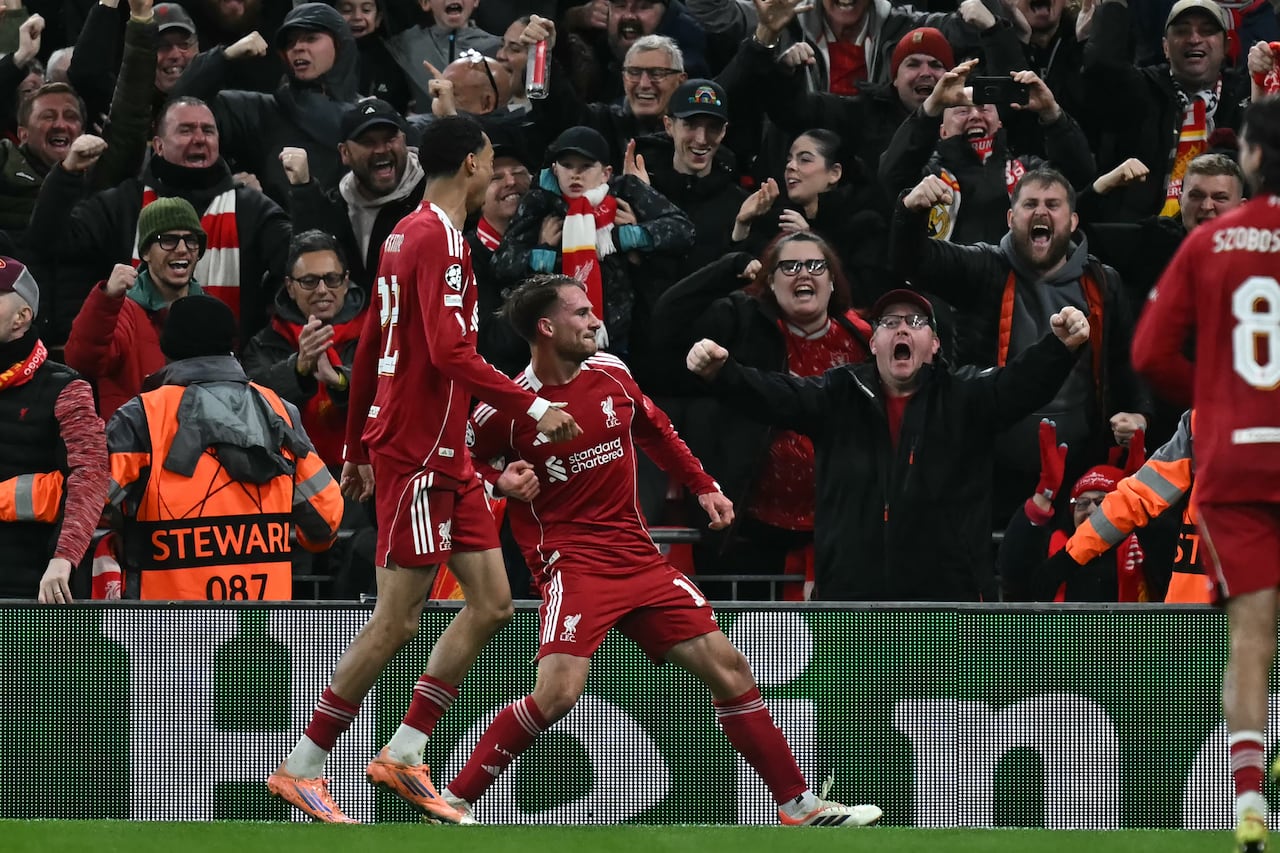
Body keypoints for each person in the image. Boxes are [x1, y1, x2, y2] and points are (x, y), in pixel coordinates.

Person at [445, 272, 882, 827]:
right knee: (556, 694)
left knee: (731, 671)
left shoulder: (612, 373)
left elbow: (654, 429)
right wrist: (497, 478)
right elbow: (455, 459)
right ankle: (454, 801)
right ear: (547, 327)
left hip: (638, 557)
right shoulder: (508, 405)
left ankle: (799, 806)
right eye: (580, 313)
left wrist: (704, 485)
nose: (595, 321)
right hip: (573, 562)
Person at [268, 115, 580, 824]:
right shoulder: (439, 239)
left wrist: (350, 446)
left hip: (444, 453)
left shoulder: (405, 233)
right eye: (493, 161)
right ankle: (303, 762)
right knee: (397, 619)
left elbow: (374, 338)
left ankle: (405, 750)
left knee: (495, 603)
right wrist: (531, 409)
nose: (498, 173)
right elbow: (446, 354)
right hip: (416, 453)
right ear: (472, 162)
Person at [686, 288, 1091, 601]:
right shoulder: (838, 392)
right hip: (852, 601)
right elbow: (774, 393)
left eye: (915, 321)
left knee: (945, 713)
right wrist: (724, 373)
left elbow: (1019, 384)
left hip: (949, 604)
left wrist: (1060, 347)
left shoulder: (966, 397)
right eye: (889, 322)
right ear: (874, 342)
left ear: (934, 344)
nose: (901, 328)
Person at [1129, 96, 1280, 853]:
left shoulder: (1211, 243)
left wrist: (1219, 394)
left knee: (1250, 639)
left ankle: (1249, 805)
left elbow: (1149, 354)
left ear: (1252, 158)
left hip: (1235, 456)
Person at [890, 168, 1151, 522]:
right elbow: (912, 261)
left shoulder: (1104, 281)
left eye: (1052, 204)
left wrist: (1141, 415)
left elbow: (1126, 362)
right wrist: (911, 211)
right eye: (1030, 204)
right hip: (991, 468)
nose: (1040, 212)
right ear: (1011, 218)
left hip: (1080, 468)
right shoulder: (983, 267)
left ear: (1073, 221)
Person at [650, 233, 872, 598]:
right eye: (789, 266)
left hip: (839, 527)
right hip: (748, 528)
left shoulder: (864, 339)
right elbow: (667, 318)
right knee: (748, 648)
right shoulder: (741, 319)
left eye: (817, 265)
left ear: (833, 281)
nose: (804, 273)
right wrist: (729, 267)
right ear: (769, 281)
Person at [104, 293, 344, 600]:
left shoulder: (141, 416)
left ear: (168, 347)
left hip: (165, 633)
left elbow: (91, 502)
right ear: (230, 343)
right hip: (259, 632)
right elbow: (326, 519)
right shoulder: (278, 410)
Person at [26, 97, 290, 346]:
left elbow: (296, 260)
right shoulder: (123, 203)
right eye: (186, 130)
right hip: (135, 372)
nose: (199, 139)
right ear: (159, 146)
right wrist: (67, 174)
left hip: (230, 371)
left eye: (208, 131)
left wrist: (304, 191)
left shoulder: (250, 208)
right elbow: (50, 239)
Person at [492, 124, 694, 364]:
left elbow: (684, 229)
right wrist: (543, 254)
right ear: (555, 169)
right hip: (555, 337)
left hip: (622, 334)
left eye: (586, 166)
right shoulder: (540, 201)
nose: (575, 175)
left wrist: (629, 237)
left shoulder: (625, 191)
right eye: (567, 165)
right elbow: (501, 263)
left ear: (606, 173)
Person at [878, 57, 1096, 247]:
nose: (975, 116)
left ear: (999, 123)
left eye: (984, 108)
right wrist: (931, 106)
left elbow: (1079, 174)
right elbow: (891, 174)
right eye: (962, 110)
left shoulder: (1028, 172)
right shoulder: (927, 177)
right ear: (942, 132)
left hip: (1017, 288)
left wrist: (1051, 113)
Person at [0, 257, 109, 602]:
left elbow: (91, 474)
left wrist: (63, 559)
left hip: (29, 584)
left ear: (22, 317)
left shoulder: (66, 388)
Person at [1082, 0, 1249, 222]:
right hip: (1147, 238)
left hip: (1225, 236)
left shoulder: (1242, 97)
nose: (1194, 39)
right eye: (1182, 31)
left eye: (1207, 31)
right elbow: (1101, 65)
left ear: (1227, 46)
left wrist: (1262, 81)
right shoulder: (1142, 89)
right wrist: (1115, 5)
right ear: (1166, 47)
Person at [1038, 409, 1210, 604]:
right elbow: (1138, 496)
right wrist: (1070, 555)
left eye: (1099, 501)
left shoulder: (1205, 417)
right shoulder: (1201, 419)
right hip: (1192, 614)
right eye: (1083, 502)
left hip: (1243, 607)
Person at [63, 197, 208, 419]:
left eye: (191, 240)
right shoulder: (122, 310)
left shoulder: (211, 313)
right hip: (137, 448)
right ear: (146, 253)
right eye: (168, 240)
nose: (182, 249)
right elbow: (83, 361)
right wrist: (107, 299)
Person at [242, 229, 367, 470]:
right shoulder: (266, 341)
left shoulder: (373, 334)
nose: (322, 290)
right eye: (309, 281)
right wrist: (298, 369)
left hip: (362, 477)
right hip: (286, 477)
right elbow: (249, 404)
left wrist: (340, 380)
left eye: (331, 279)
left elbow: (388, 393)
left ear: (346, 281)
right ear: (290, 286)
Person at [733, 128, 891, 307]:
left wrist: (813, 245)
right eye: (789, 159)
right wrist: (742, 224)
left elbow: (864, 297)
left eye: (804, 159)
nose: (791, 166)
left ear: (834, 173)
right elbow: (744, 283)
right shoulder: (780, 219)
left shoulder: (866, 224)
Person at [281, 97, 425, 292]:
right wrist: (303, 189)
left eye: (390, 139)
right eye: (368, 142)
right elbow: (306, 264)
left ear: (404, 141)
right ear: (345, 153)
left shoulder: (433, 194)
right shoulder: (336, 207)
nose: (381, 149)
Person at [998, 418, 1150, 602]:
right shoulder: (1057, 556)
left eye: (1102, 501)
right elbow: (1015, 577)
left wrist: (1141, 500)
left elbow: (1164, 550)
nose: (1091, 509)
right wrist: (1043, 496)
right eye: (1082, 503)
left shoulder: (1144, 547)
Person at [0, 81, 83, 239]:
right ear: (23, 134)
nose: (60, 125)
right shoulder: (3, 160)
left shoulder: (94, 183)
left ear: (81, 132)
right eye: (48, 116)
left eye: (70, 117)